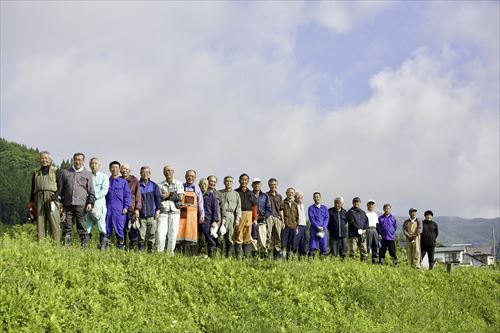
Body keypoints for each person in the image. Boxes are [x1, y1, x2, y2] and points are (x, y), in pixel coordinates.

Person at [52, 152, 95, 247]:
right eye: (76, 159)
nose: (78, 161)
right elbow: (61, 189)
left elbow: (91, 191)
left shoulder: (87, 174)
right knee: (67, 227)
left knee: (82, 227)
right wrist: (59, 202)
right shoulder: (66, 172)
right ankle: (67, 248)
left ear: (83, 161)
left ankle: (85, 248)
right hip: (67, 204)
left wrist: (90, 203)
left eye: (80, 160)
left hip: (81, 205)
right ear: (73, 160)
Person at [29, 151, 61, 241]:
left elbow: (61, 186)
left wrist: (54, 198)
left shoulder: (55, 170)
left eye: (46, 158)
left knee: (54, 222)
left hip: (52, 198)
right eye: (42, 158)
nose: (44, 160)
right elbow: (32, 188)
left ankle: (56, 245)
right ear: (40, 160)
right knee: (40, 222)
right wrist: (31, 202)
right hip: (38, 197)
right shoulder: (36, 172)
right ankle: (41, 245)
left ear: (50, 160)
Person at [157, 165, 184, 255]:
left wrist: (166, 195)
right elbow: (159, 197)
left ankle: (170, 253)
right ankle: (159, 253)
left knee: (173, 234)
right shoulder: (160, 185)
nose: (168, 172)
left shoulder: (179, 183)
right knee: (160, 233)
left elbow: (180, 197)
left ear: (173, 172)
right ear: (163, 172)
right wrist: (171, 194)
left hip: (175, 212)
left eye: (170, 170)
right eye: (166, 171)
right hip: (163, 212)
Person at [105, 161, 131, 249]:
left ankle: (121, 247)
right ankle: (107, 248)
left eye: (116, 167)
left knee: (120, 229)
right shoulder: (106, 181)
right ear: (110, 169)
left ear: (119, 169)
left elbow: (127, 195)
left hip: (119, 209)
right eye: (112, 167)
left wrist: (126, 207)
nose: (114, 169)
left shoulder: (123, 182)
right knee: (107, 228)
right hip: (108, 208)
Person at [178, 169, 205, 255]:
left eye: (192, 176)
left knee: (191, 234)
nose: (190, 178)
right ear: (185, 177)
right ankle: (179, 253)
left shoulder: (197, 189)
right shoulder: (181, 187)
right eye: (189, 176)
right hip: (182, 213)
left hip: (193, 215)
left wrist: (202, 215)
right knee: (180, 232)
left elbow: (200, 203)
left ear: (195, 178)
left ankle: (191, 255)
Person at [85, 158, 109, 249]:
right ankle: (86, 247)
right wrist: (88, 200)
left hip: (100, 204)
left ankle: (102, 248)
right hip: (88, 205)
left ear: (99, 165)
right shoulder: (87, 176)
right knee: (88, 226)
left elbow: (104, 190)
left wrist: (94, 197)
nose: (94, 165)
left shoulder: (104, 177)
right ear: (89, 165)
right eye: (92, 163)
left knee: (101, 226)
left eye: (95, 163)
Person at [138, 166, 162, 252]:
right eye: (143, 172)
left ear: (149, 174)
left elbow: (158, 199)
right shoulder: (137, 185)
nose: (145, 174)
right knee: (141, 235)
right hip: (141, 216)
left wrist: (158, 210)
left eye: (147, 172)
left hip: (152, 215)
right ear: (140, 174)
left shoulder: (154, 185)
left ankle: (150, 250)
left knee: (152, 234)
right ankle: (140, 250)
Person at [235, 173, 257, 259]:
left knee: (247, 235)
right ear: (239, 181)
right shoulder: (236, 192)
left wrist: (255, 219)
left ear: (248, 181)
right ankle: (239, 257)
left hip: (249, 215)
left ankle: (246, 257)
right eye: (242, 179)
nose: (244, 181)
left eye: (245, 180)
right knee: (238, 234)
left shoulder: (251, 193)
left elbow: (254, 206)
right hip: (239, 214)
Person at [120, 164, 142, 249]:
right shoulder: (118, 180)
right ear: (120, 170)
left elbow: (138, 195)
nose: (124, 170)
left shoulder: (134, 180)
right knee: (122, 228)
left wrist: (137, 209)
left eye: (126, 169)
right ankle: (122, 247)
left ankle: (133, 247)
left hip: (131, 208)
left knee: (132, 228)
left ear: (130, 170)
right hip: (120, 208)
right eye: (123, 169)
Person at [219, 176, 242, 257]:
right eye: (227, 181)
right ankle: (220, 255)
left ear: (232, 183)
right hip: (221, 215)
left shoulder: (236, 194)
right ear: (224, 182)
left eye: (230, 181)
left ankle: (229, 256)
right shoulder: (220, 193)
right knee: (221, 235)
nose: (228, 183)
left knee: (230, 237)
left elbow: (238, 207)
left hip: (231, 216)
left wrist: (237, 219)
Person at [252, 178, 272, 258]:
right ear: (252, 185)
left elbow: (269, 209)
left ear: (261, 185)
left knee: (263, 240)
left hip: (262, 221)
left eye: (258, 184)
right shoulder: (250, 194)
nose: (257, 185)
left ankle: (263, 257)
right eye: (255, 183)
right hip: (252, 221)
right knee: (253, 240)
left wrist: (263, 216)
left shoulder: (265, 196)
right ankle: (254, 257)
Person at [198, 178, 218, 257]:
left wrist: (214, 221)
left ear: (208, 186)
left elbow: (215, 208)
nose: (203, 186)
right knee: (199, 237)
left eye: (205, 184)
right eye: (202, 184)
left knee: (207, 236)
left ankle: (211, 255)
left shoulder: (211, 195)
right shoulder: (197, 194)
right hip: (197, 219)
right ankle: (199, 254)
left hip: (207, 220)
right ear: (199, 185)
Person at [266, 178, 284, 258]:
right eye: (271, 184)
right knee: (268, 236)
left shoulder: (279, 196)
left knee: (277, 237)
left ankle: (276, 255)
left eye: (275, 185)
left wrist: (282, 221)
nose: (273, 186)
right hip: (269, 217)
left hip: (277, 218)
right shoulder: (265, 195)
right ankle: (267, 254)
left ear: (277, 185)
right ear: (269, 185)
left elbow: (281, 209)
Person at [308, 192, 329, 257]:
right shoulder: (311, 208)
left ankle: (322, 260)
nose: (316, 198)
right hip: (314, 229)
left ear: (320, 198)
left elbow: (327, 217)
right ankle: (312, 259)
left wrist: (323, 226)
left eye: (317, 197)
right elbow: (311, 218)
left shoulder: (324, 208)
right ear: (313, 198)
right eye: (315, 197)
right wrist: (317, 226)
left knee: (323, 244)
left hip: (323, 229)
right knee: (313, 245)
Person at [282, 187, 298, 259]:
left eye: (292, 193)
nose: (290, 194)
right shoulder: (283, 202)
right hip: (285, 226)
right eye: (289, 192)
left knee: (291, 244)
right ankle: (281, 257)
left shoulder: (295, 204)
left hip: (293, 226)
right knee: (283, 243)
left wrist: (297, 226)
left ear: (294, 194)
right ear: (286, 193)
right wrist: (282, 222)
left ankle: (288, 259)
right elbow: (281, 213)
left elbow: (297, 216)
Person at [293, 190, 307, 257]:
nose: (299, 198)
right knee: (296, 243)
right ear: (295, 197)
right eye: (298, 196)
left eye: (301, 197)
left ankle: (302, 258)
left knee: (303, 243)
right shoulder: (293, 204)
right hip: (297, 226)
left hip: (303, 225)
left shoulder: (302, 205)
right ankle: (294, 257)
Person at [365, 199, 379, 264]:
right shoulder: (365, 213)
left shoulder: (375, 214)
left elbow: (377, 224)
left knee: (375, 245)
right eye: (369, 204)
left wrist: (379, 233)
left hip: (375, 230)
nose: (371, 205)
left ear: (374, 206)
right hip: (368, 230)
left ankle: (374, 261)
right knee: (367, 245)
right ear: (367, 205)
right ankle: (366, 260)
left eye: (372, 204)